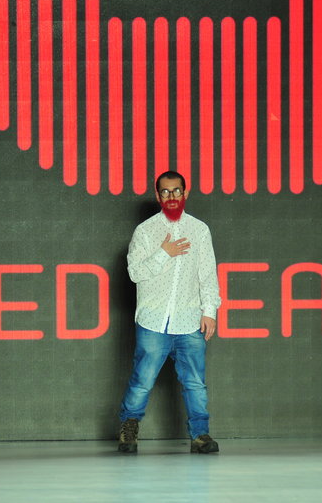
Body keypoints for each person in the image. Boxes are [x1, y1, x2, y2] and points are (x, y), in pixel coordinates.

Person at [117, 171, 222, 454]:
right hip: (153, 320)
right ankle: (128, 430)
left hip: (189, 320)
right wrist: (164, 252)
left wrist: (209, 312)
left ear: (185, 193)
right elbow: (135, 273)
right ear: (158, 195)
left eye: (176, 191)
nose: (171, 196)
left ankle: (200, 435)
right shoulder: (145, 231)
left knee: (195, 383)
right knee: (142, 380)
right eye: (165, 191)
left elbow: (207, 275)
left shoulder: (199, 230)